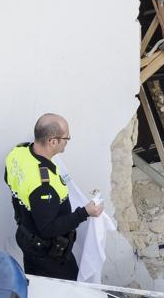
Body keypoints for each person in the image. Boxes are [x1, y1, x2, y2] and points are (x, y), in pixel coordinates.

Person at [5, 113, 103, 280]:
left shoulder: (19, 153)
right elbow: (48, 228)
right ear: (52, 141)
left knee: (37, 286)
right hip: (47, 255)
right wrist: (85, 212)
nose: (67, 141)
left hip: (27, 238)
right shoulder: (44, 186)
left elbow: (8, 178)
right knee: (65, 293)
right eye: (66, 138)